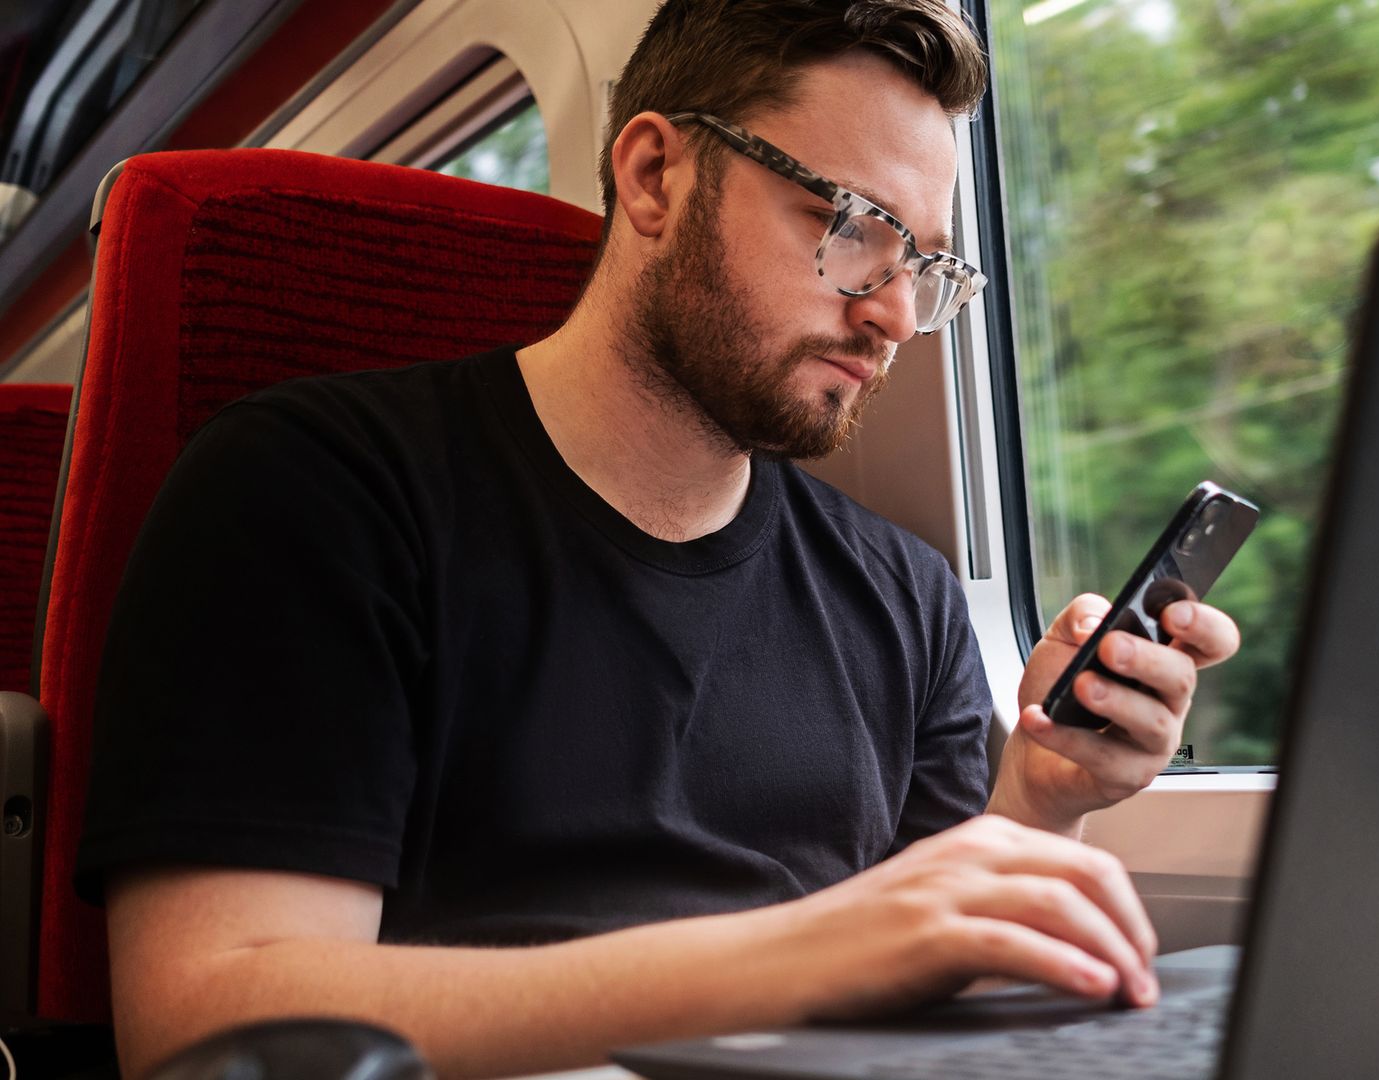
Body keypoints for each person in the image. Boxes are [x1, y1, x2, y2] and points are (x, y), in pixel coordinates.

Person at [76, 1, 1242, 1075]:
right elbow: (213, 1024)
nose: (894, 313)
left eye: (925, 268)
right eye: (855, 227)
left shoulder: (906, 593)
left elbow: (922, 973)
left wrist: (1040, 799)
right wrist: (801, 955)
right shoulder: (317, 491)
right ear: (654, 178)